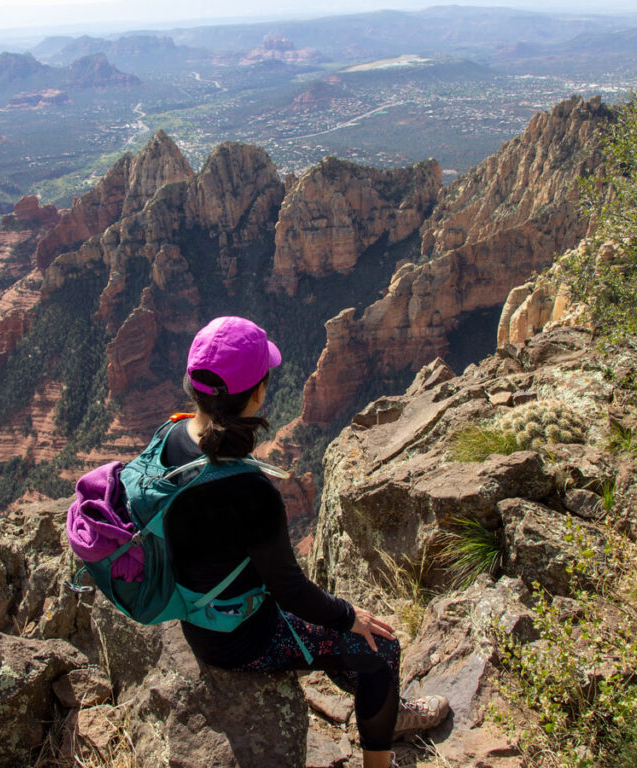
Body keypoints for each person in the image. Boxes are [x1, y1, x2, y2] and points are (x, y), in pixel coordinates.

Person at [162, 316, 449, 768]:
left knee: (337, 634)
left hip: (197, 615)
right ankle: (380, 757)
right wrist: (351, 615)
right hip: (240, 638)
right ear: (257, 393)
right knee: (379, 646)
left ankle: (380, 699)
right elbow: (291, 591)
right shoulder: (249, 489)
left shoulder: (170, 436)